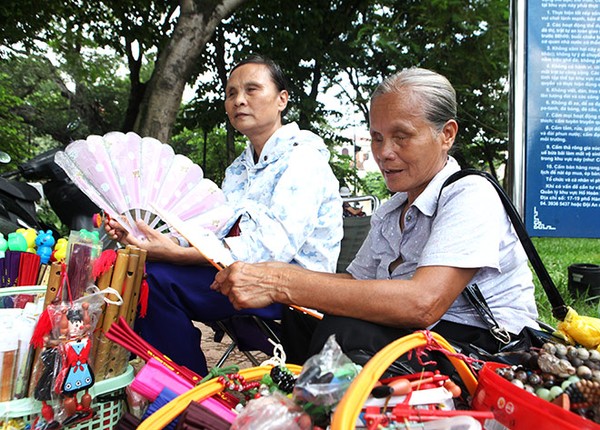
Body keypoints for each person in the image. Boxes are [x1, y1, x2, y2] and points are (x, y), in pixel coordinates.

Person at [211, 67, 539, 367]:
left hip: (485, 352)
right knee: (300, 317)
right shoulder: (393, 209)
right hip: (427, 341)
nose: (384, 152)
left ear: (447, 135)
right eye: (377, 137)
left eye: (402, 136)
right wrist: (271, 272)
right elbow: (356, 283)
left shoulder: (469, 194)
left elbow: (423, 304)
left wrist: (281, 283)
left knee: (346, 329)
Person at [106, 55, 343, 375]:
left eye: (252, 89)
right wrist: (163, 239)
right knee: (138, 267)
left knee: (157, 280)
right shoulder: (238, 170)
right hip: (240, 276)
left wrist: (181, 255)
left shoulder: (303, 161)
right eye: (231, 93)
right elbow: (212, 228)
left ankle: (185, 392)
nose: (239, 100)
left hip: (292, 290)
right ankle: (173, 381)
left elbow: (271, 249)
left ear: (282, 99)